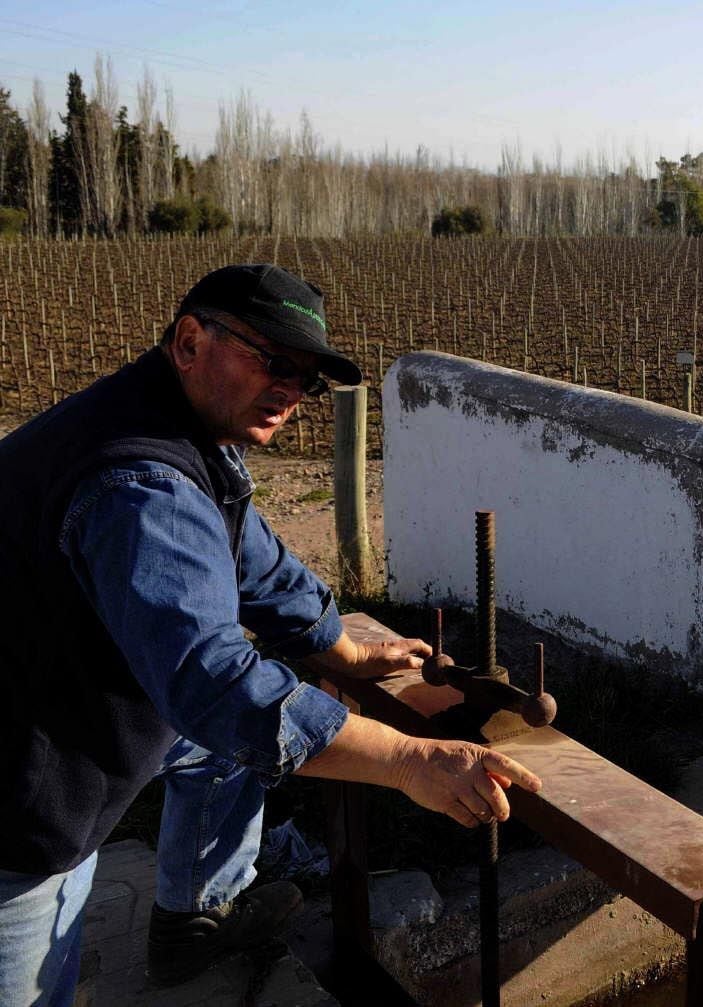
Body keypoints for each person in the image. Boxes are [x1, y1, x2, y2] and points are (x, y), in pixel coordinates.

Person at [0, 264, 542, 1005]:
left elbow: (246, 549)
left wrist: (343, 647)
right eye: (274, 363)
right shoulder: (138, 483)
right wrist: (410, 759)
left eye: (308, 379)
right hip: (21, 787)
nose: (292, 392)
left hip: (65, 696)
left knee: (225, 754)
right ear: (191, 340)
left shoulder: (180, 427)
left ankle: (195, 918)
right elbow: (215, 683)